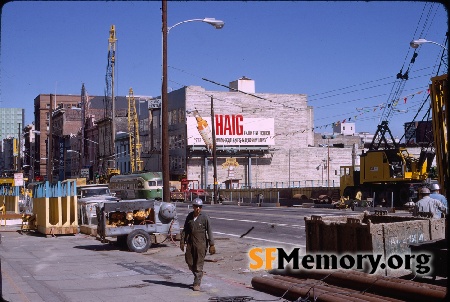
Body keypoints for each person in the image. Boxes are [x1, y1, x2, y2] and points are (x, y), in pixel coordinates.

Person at [180, 198, 215, 291]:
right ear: (193, 207)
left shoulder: (205, 217)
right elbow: (185, 230)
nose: (198, 208)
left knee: (198, 264)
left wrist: (212, 244)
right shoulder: (190, 216)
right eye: (196, 206)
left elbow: (209, 231)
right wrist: (182, 241)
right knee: (189, 261)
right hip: (190, 243)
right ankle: (198, 274)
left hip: (201, 244)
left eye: (200, 207)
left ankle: (197, 282)